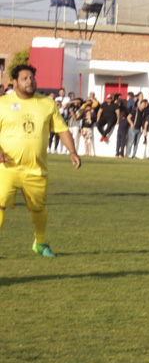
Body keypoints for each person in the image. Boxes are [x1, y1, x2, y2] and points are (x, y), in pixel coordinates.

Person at [0, 64, 82, 257]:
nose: (30, 81)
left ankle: (40, 243)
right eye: (25, 78)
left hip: (36, 169)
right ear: (14, 82)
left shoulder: (47, 104)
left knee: (38, 209)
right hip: (7, 167)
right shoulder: (2, 103)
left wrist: (73, 152)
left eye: (32, 78)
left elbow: (61, 129)